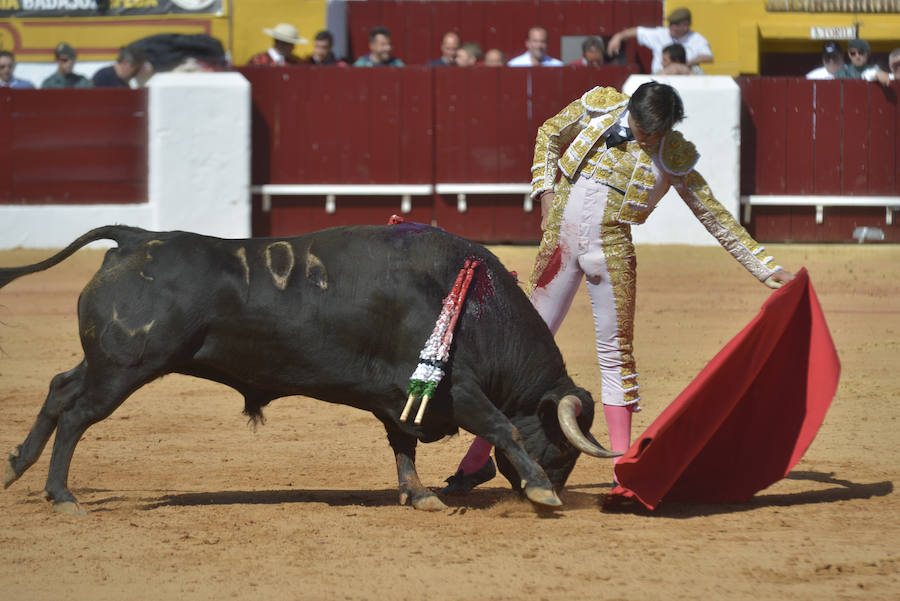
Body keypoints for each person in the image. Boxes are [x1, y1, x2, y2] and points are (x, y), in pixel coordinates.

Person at [442, 81, 794, 493]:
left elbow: (712, 214)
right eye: (644, 132)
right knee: (518, 357)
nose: (647, 141)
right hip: (559, 244)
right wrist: (546, 193)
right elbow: (548, 133)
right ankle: (477, 460)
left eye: (655, 136)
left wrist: (765, 267)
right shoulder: (600, 107)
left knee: (615, 355)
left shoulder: (671, 153)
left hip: (610, 253)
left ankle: (623, 471)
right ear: (632, 112)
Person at [607, 7, 712, 74]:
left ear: (685, 26)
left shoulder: (696, 38)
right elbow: (638, 31)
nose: (670, 27)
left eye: (674, 24)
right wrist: (618, 36)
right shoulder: (661, 34)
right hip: (661, 74)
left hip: (686, 73)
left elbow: (708, 57)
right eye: (670, 24)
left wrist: (685, 65)